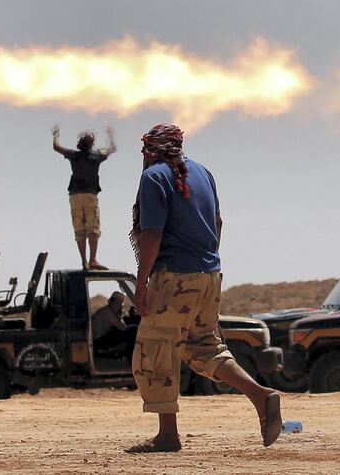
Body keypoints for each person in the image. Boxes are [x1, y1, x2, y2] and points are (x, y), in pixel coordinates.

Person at [126, 123, 282, 453]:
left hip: (174, 277)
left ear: (152, 149)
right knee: (202, 347)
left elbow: (151, 234)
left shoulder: (153, 176)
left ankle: (168, 436)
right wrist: (205, 260)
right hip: (210, 275)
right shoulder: (204, 173)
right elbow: (218, 222)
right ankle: (260, 395)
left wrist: (142, 282)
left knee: (155, 353)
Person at [52, 125, 117, 270]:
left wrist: (56, 135)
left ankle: (84, 262)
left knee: (79, 230)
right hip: (89, 196)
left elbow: (56, 147)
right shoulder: (96, 156)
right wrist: (110, 134)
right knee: (93, 229)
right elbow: (112, 148)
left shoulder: (74, 155)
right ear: (92, 143)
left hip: (75, 196)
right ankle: (92, 259)